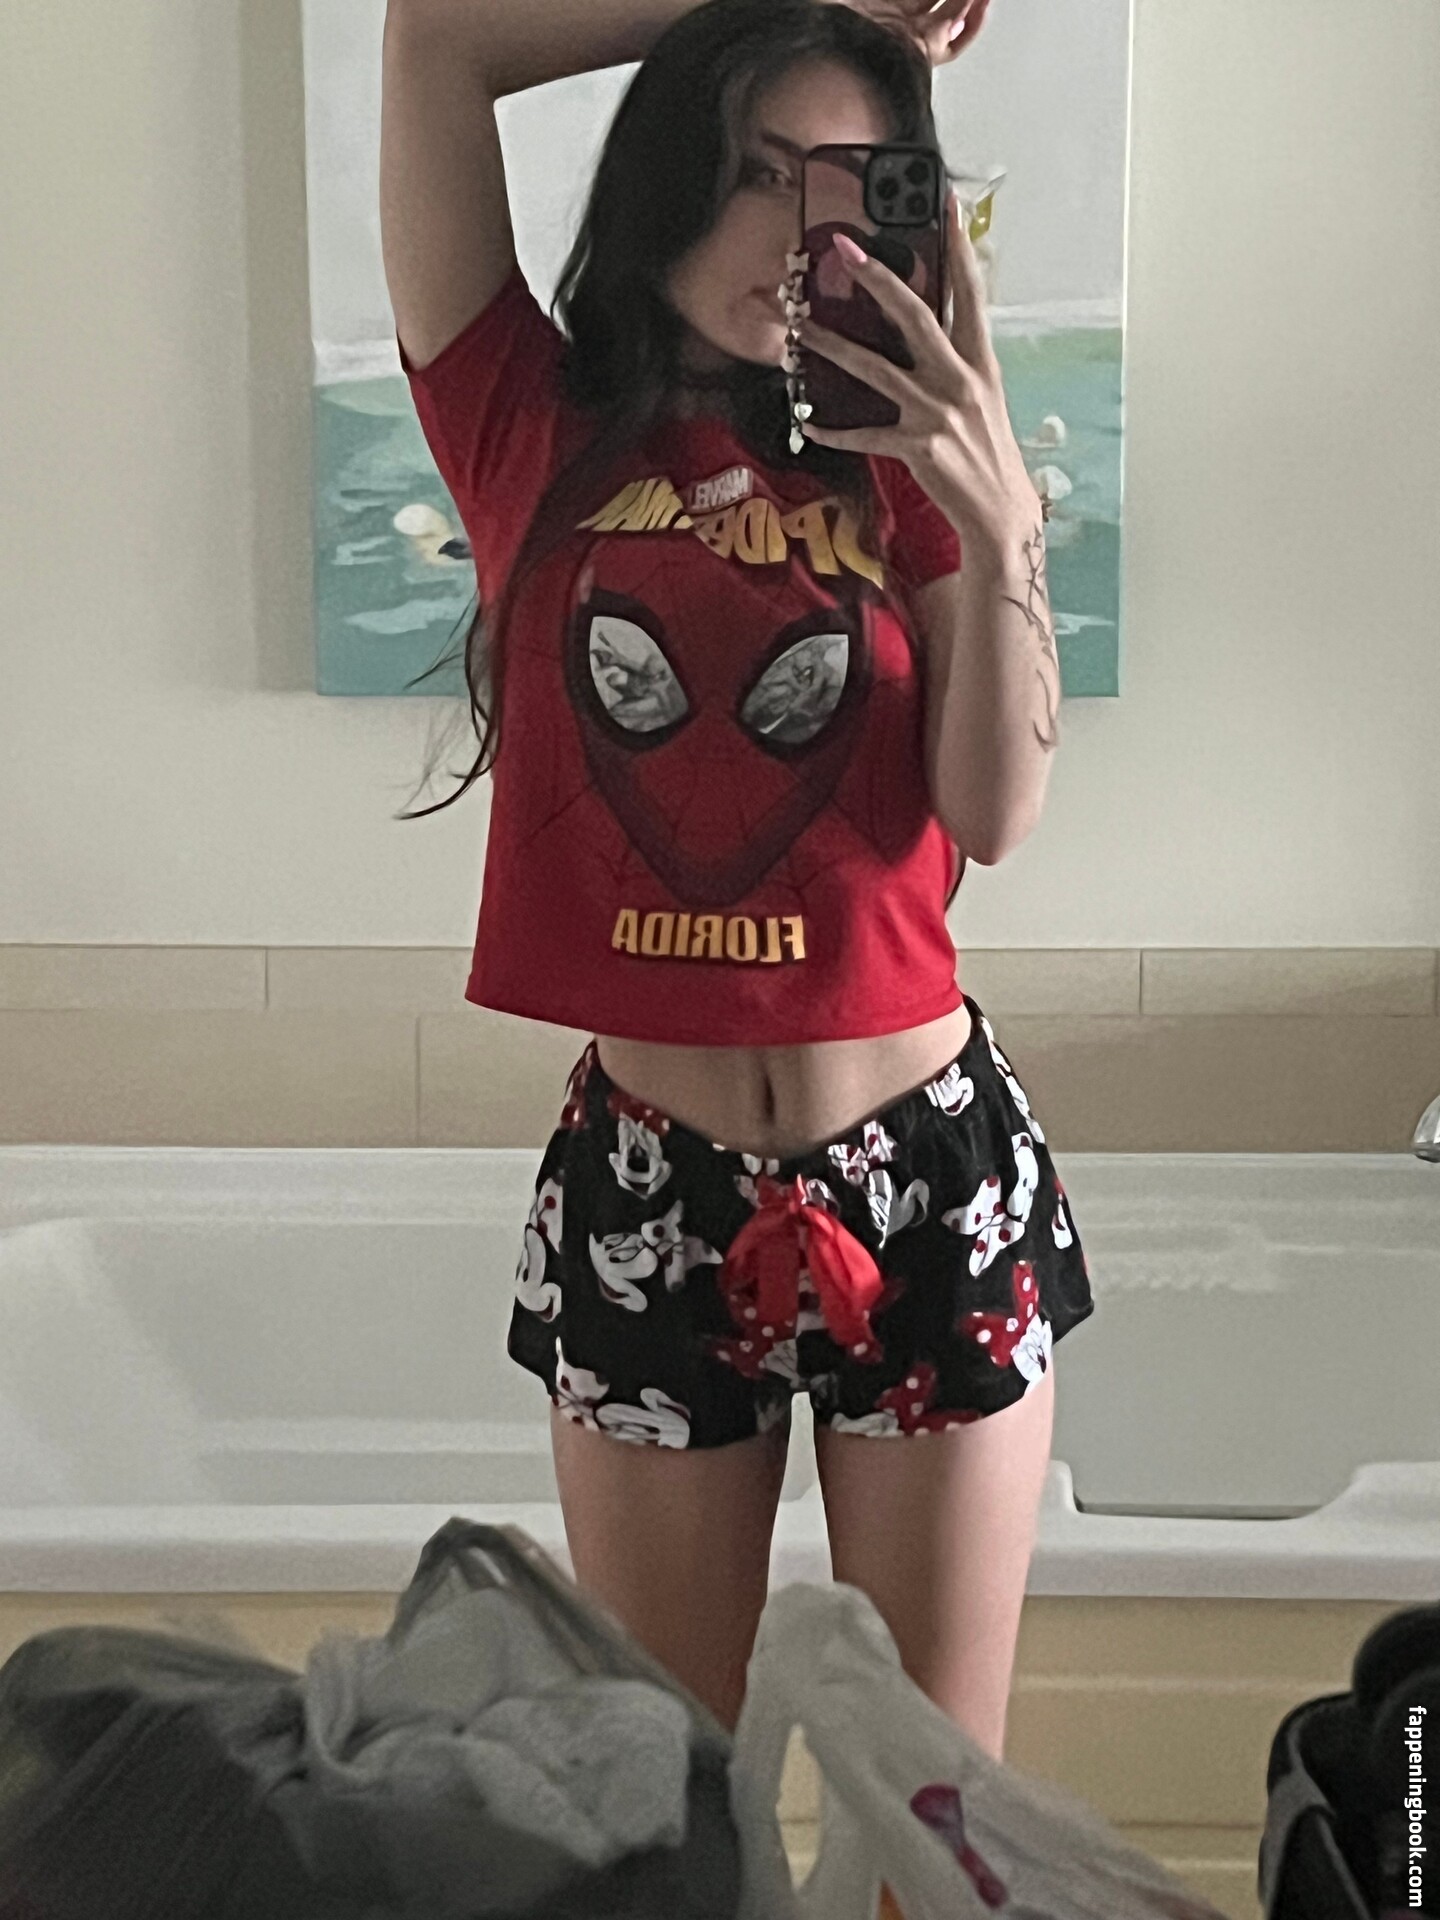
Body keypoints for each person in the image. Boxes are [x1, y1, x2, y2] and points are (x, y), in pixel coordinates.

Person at [379, 0, 1094, 1753]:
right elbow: (436, 35)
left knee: (936, 1811)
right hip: (651, 1191)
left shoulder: (903, 461)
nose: (798, 230)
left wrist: (998, 515)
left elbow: (994, 815)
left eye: (848, 187)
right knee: (669, 1798)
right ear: (672, 180)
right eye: (760, 172)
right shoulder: (526, 420)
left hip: (928, 1179)